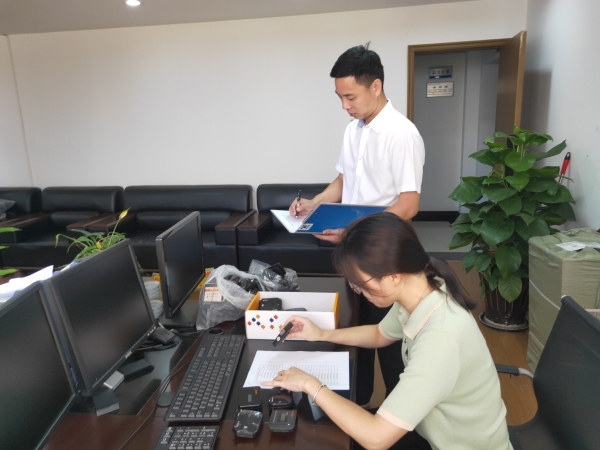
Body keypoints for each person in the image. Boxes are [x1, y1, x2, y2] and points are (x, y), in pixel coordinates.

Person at [262, 213, 512, 450]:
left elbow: (377, 438)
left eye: (360, 284)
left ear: (392, 276)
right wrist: (321, 334)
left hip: (450, 444)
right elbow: (380, 334)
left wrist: (310, 384)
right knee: (329, 431)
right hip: (429, 430)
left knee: (328, 437)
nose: (360, 292)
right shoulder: (424, 289)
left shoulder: (441, 337)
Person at [288, 43, 426, 405]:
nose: (344, 105)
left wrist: (355, 231)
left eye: (350, 96)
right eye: (340, 97)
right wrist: (314, 203)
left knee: (390, 343)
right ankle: (360, 401)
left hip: (386, 255)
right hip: (354, 253)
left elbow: (409, 204)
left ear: (375, 87)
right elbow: (342, 180)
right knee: (357, 329)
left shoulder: (402, 133)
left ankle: (398, 419)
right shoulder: (354, 131)